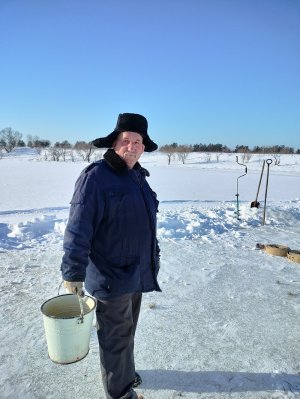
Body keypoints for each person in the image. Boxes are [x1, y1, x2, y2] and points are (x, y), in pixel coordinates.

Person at [61, 113, 161, 399]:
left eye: (138, 141)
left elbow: (145, 224)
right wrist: (72, 273)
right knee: (115, 338)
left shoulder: (138, 177)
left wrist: (153, 256)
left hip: (137, 272)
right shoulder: (96, 177)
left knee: (127, 331)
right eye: (126, 140)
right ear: (115, 143)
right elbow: (79, 227)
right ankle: (120, 392)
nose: (132, 146)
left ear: (144, 147)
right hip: (110, 276)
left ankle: (124, 373)